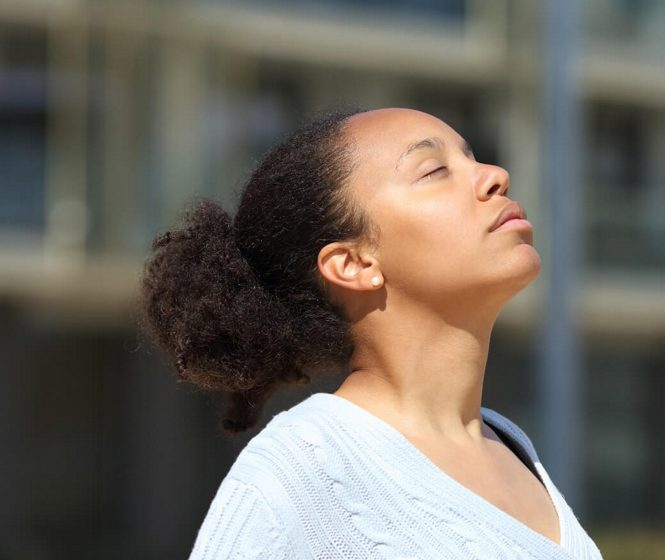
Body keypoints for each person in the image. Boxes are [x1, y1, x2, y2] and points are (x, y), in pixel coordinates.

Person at [140, 107, 602, 559]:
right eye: (435, 170)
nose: (495, 175)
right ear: (354, 264)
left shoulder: (511, 444)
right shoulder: (300, 469)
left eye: (472, 156)